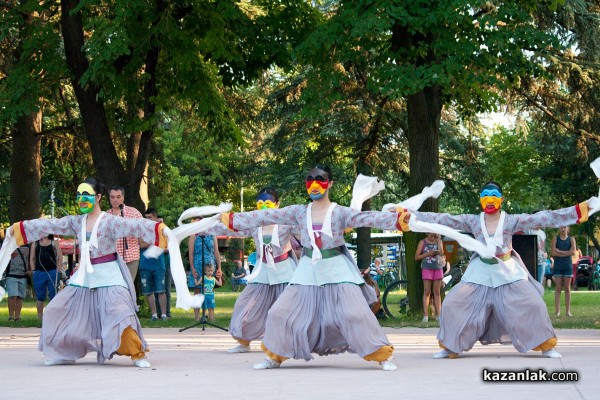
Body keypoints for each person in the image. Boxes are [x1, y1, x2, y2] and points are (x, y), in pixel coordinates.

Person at [220, 165, 408, 371]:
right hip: (307, 270)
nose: (315, 184)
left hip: (336, 268)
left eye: (320, 179)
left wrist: (396, 220)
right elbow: (265, 217)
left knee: (356, 314)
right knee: (278, 312)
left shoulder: (339, 212)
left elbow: (367, 218)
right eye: (310, 179)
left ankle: (382, 355)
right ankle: (274, 356)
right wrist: (233, 219)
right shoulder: (298, 212)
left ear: (330, 183)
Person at [409, 181, 594, 359]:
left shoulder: (511, 221)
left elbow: (543, 217)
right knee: (451, 304)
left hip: (507, 271)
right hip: (480, 271)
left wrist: (578, 211)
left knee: (534, 304)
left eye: (494, 195)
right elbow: (442, 219)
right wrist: (410, 215)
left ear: (501, 199)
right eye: (486, 196)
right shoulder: (472, 221)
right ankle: (450, 346)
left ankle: (546, 345)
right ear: (480, 199)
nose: (490, 199)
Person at [7, 177, 171, 367]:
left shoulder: (112, 221)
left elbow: (136, 225)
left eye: (86, 195)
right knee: (55, 310)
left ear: (98, 197)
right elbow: (49, 225)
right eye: (78, 195)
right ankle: (65, 353)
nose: (81, 199)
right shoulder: (76, 222)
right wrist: (19, 228)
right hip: (84, 276)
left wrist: (160, 230)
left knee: (119, 313)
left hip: (109, 275)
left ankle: (137, 353)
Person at [219, 187, 298, 353]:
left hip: (283, 272)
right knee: (244, 304)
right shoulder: (254, 225)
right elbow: (230, 228)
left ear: (277, 205)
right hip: (262, 272)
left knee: (286, 310)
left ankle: (289, 343)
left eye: (267, 203)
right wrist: (210, 224)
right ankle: (244, 342)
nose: (263, 207)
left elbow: (309, 231)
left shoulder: (286, 225)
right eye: (260, 204)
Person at [108, 186, 143, 281]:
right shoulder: (106, 216)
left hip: (130, 258)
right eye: (112, 197)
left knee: (128, 288)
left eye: (118, 197)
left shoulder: (134, 213)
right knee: (114, 288)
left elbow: (142, 234)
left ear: (123, 197)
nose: (115, 200)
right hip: (112, 259)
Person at [139, 208, 168, 321]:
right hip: (145, 265)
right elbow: (141, 244)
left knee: (161, 291)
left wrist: (152, 242)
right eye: (146, 218)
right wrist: (155, 241)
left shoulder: (162, 230)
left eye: (150, 217)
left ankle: (164, 315)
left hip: (159, 265)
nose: (148, 220)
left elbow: (165, 246)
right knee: (148, 292)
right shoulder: (141, 230)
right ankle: (154, 315)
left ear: (156, 218)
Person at [188, 226, 222, 322]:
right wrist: (192, 267)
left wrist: (219, 267)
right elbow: (191, 253)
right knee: (197, 291)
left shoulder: (212, 234)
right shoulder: (194, 235)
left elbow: (216, 251)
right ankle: (197, 316)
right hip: (198, 265)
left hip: (210, 266)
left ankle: (210, 315)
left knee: (209, 289)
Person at [30, 235, 63, 320]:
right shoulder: (35, 243)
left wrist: (58, 270)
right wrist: (33, 271)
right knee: (40, 296)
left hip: (52, 272)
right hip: (39, 272)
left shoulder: (54, 242)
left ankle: (54, 317)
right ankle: (40, 317)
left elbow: (60, 257)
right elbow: (32, 258)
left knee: (54, 295)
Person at [415, 233, 445, 322]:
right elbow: (417, 257)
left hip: (438, 268)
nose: (433, 238)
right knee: (427, 291)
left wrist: (439, 242)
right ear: (427, 233)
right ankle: (425, 315)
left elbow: (442, 253)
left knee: (437, 292)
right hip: (427, 268)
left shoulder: (439, 241)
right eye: (432, 236)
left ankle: (438, 315)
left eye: (435, 236)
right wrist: (428, 254)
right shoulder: (422, 242)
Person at [551, 226, 575, 317]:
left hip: (568, 265)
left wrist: (560, 251)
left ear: (568, 228)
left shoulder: (571, 239)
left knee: (567, 288)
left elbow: (573, 252)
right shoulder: (555, 239)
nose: (563, 229)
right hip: (558, 265)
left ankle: (568, 311)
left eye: (565, 227)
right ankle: (557, 311)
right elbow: (553, 253)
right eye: (561, 227)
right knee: (558, 288)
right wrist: (566, 252)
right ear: (558, 229)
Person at [5, 245, 30, 322]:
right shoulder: (9, 245)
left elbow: (30, 259)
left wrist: (29, 270)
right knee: (12, 296)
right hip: (11, 274)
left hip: (23, 275)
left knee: (20, 297)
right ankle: (11, 317)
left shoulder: (27, 246)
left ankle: (18, 317)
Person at [155, 215, 172, 318]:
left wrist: (157, 249)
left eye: (161, 221)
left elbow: (170, 249)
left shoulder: (168, 234)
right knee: (157, 290)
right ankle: (158, 313)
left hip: (166, 264)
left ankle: (167, 313)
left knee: (167, 290)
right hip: (156, 265)